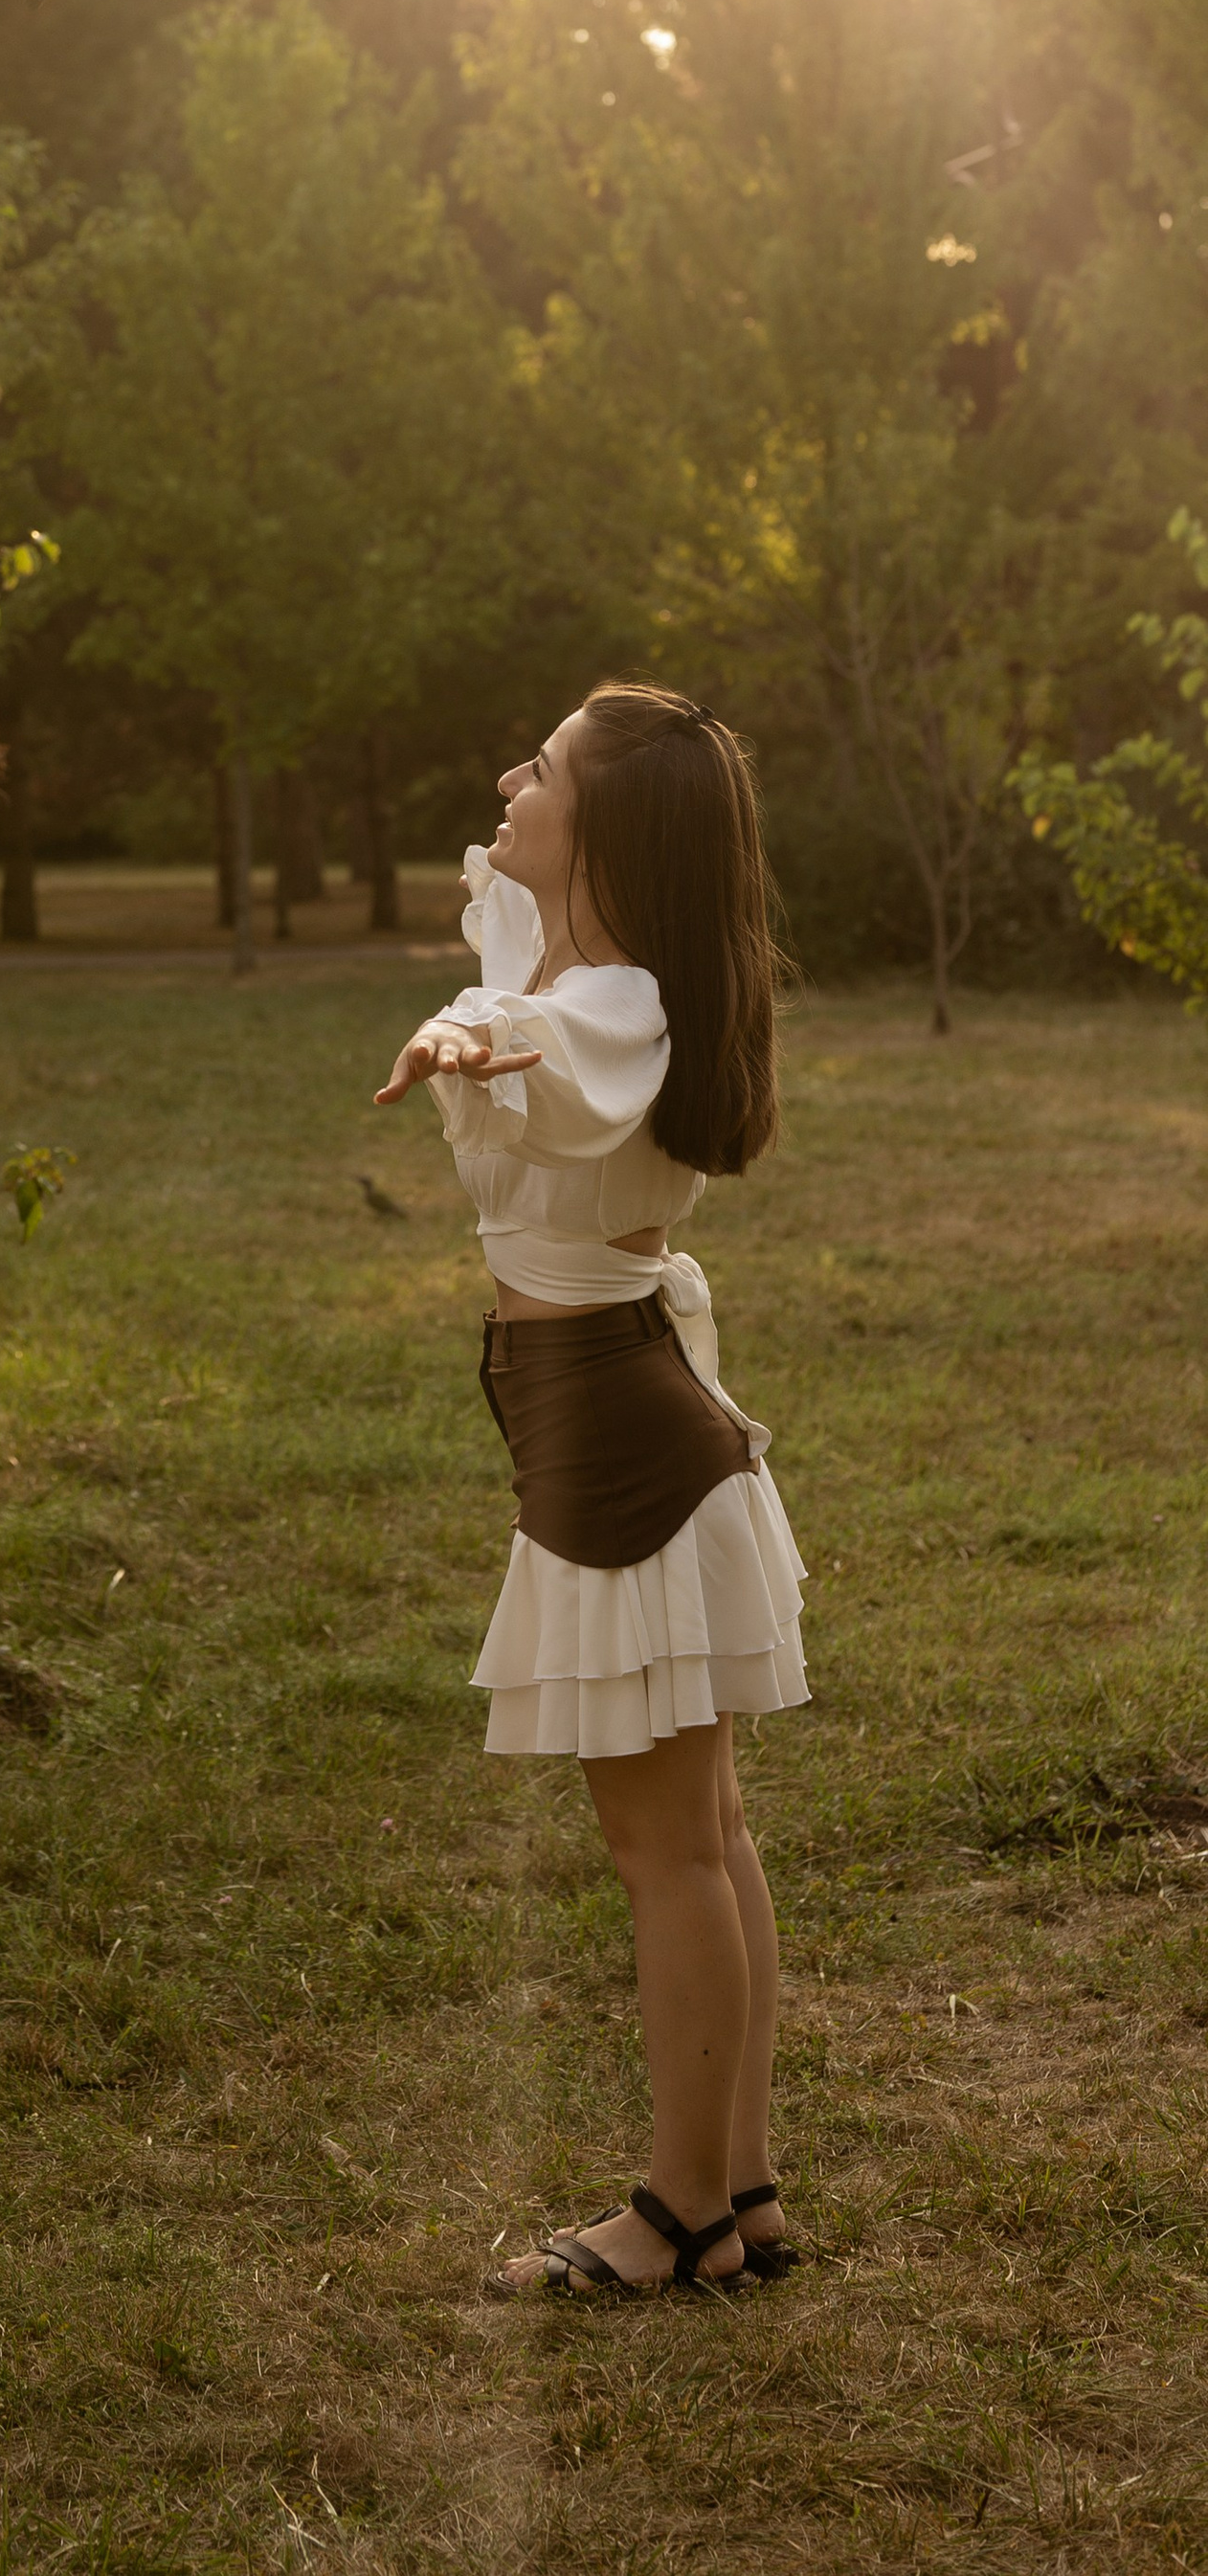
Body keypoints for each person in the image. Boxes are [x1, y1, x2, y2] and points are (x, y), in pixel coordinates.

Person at [373, 686, 807, 2300]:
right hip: (622, 1417)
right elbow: (520, 974)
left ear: (608, 832)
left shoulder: (604, 1005)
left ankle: (679, 2208)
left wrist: (464, 1036)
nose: (507, 777)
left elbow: (555, 1058)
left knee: (667, 1848)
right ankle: (739, 2185)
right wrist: (493, 977)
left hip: (621, 1441)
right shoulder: (574, 958)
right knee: (703, 1830)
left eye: (541, 771)